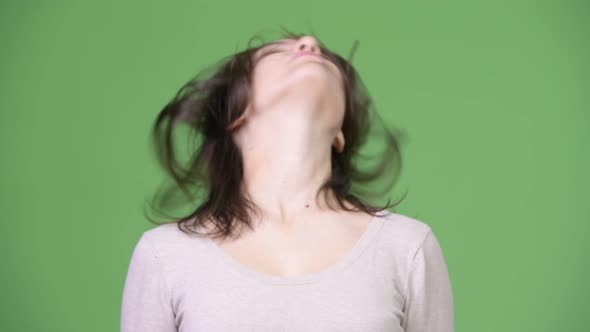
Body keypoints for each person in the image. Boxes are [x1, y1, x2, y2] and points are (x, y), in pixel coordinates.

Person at [120, 29, 454, 331]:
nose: (310, 42)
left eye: (325, 58)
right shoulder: (165, 255)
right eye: (277, 51)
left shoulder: (406, 247)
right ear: (235, 113)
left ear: (340, 133)